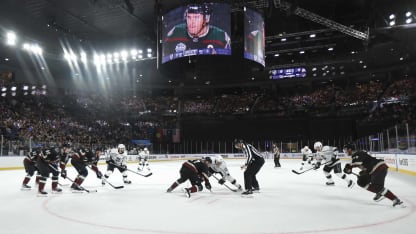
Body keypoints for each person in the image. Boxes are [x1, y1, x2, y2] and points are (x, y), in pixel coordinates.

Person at [343, 143, 404, 207]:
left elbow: (358, 163)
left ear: (350, 149)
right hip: (374, 169)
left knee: (378, 187)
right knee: (361, 181)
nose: (345, 151)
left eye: (346, 149)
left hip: (379, 167)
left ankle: (395, 200)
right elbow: (363, 164)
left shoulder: (357, 153)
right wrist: (361, 172)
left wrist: (349, 166)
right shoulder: (357, 155)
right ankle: (379, 192)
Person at [163, 3, 231, 58]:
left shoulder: (221, 36)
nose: (191, 22)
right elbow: (165, 55)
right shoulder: (175, 32)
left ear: (206, 18)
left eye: (196, 17)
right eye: (189, 17)